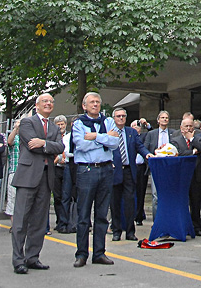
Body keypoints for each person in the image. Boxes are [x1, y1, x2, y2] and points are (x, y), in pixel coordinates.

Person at [10, 93, 65, 274]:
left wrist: (44, 143)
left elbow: (61, 147)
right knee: (21, 220)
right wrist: (48, 145)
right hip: (27, 176)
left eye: (51, 102)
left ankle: (32, 257)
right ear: (37, 105)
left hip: (46, 177)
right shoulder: (27, 122)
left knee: (39, 222)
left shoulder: (54, 127)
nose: (49, 104)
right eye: (45, 101)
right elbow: (30, 143)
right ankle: (18, 260)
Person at [70, 92, 119, 268]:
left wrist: (95, 137)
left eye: (98, 102)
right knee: (83, 215)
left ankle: (99, 253)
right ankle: (81, 254)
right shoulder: (79, 124)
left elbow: (115, 143)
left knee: (102, 214)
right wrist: (105, 139)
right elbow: (81, 145)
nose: (95, 104)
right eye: (92, 102)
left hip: (106, 169)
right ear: (84, 106)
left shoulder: (108, 121)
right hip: (87, 170)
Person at [109, 107, 148, 242]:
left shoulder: (131, 132)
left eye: (123, 116)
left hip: (129, 171)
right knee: (115, 203)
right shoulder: (109, 133)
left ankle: (130, 231)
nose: (121, 118)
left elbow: (140, 146)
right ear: (114, 118)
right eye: (118, 116)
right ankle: (116, 230)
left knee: (130, 202)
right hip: (114, 171)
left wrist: (147, 154)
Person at [171, 115, 201, 237]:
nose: (188, 128)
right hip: (182, 175)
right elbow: (178, 153)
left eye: (190, 126)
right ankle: (184, 226)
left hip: (196, 175)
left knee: (196, 203)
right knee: (183, 202)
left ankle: (196, 227)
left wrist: (192, 140)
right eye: (186, 126)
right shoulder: (175, 140)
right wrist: (192, 152)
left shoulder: (198, 137)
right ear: (181, 128)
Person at [51, 115, 72, 233]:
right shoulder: (53, 137)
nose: (60, 127)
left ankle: (67, 220)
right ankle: (59, 221)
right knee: (57, 196)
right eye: (58, 125)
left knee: (67, 195)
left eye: (62, 124)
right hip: (56, 168)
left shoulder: (69, 136)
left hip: (68, 167)